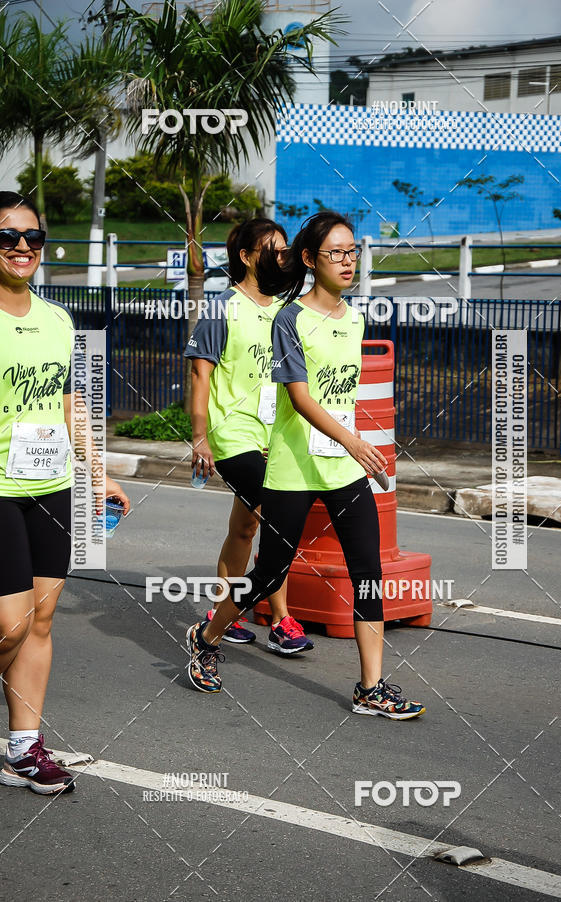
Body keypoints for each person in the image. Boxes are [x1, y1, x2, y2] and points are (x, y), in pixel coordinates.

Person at [187, 211, 425, 720]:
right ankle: (207, 636)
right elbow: (299, 398)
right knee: (270, 573)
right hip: (293, 469)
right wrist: (356, 441)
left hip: (343, 467)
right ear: (311, 260)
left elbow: (342, 396)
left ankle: (371, 685)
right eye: (336, 253)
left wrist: (356, 448)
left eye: (352, 251)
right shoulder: (289, 318)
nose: (347, 261)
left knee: (369, 573)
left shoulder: (356, 319)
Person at [0, 191, 130, 794]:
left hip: (50, 485)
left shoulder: (58, 319)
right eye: (7, 236)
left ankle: (24, 746)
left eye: (32, 237)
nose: (21, 247)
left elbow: (69, 403)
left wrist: (96, 469)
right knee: (8, 623)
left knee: (42, 620)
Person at [183, 218, 314, 690]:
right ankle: (279, 620)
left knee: (245, 525)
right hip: (232, 434)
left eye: (285, 249)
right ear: (244, 256)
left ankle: (224, 607)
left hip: (276, 434)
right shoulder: (224, 309)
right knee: (278, 514)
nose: (281, 256)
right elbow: (200, 377)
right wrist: (200, 438)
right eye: (272, 249)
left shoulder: (288, 309)